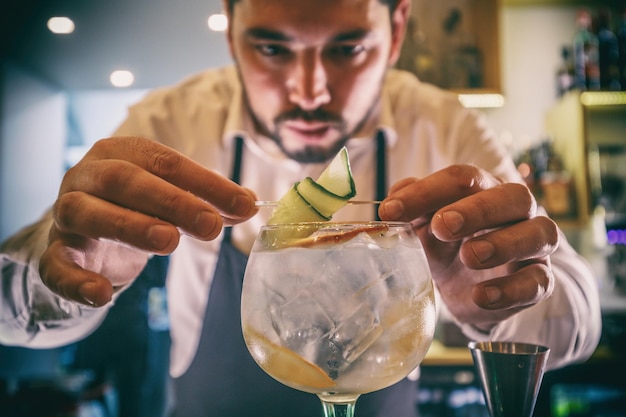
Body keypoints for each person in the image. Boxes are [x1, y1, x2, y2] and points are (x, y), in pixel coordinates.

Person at [0, 0, 602, 416]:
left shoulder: (442, 124)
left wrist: (507, 297)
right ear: (230, 27)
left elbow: (577, 307)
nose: (310, 89)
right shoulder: (171, 121)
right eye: (271, 48)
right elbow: (13, 305)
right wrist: (69, 274)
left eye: (348, 48)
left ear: (395, 31)